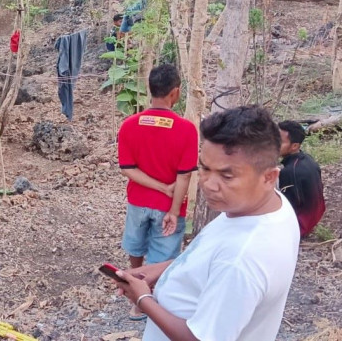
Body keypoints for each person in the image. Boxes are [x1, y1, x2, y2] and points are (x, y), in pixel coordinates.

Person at [114, 106, 300, 341]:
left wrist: (143, 299)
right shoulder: (267, 205)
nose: (209, 184)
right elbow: (210, 260)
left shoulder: (241, 258)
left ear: (268, 177)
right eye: (204, 168)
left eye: (227, 175)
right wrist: (162, 269)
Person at [117, 64, 198, 319]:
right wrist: (172, 206)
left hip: (138, 200)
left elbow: (128, 169)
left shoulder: (129, 125)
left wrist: (156, 186)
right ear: (175, 93)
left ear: (149, 88)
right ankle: (147, 297)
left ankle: (134, 288)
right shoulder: (186, 129)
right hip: (169, 205)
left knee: (135, 244)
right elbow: (184, 175)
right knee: (163, 253)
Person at [278, 120, 325, 238]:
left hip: (301, 226)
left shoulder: (289, 172)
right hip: (315, 216)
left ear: (294, 146)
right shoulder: (307, 159)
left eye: (279, 141)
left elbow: (287, 207)